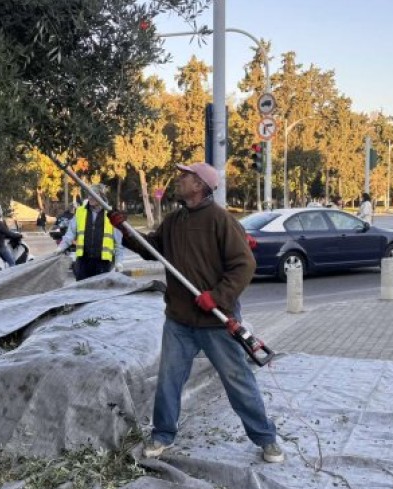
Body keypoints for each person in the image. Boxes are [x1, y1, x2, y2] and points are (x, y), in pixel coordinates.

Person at [114, 162, 284, 464]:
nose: (179, 180)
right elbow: (152, 248)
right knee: (169, 379)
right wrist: (125, 231)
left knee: (237, 380)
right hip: (179, 319)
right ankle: (162, 434)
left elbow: (244, 265)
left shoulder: (221, 221)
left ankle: (266, 438)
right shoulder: (175, 220)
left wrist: (217, 297)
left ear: (201, 186)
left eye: (186, 176)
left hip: (216, 321)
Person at [55, 185, 124, 280]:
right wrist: (61, 247)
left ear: (102, 196)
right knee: (82, 292)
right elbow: (70, 234)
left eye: (93, 195)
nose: (90, 198)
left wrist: (119, 262)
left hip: (102, 263)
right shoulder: (80, 212)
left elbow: (119, 242)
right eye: (89, 195)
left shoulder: (111, 214)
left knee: (99, 293)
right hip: (83, 262)